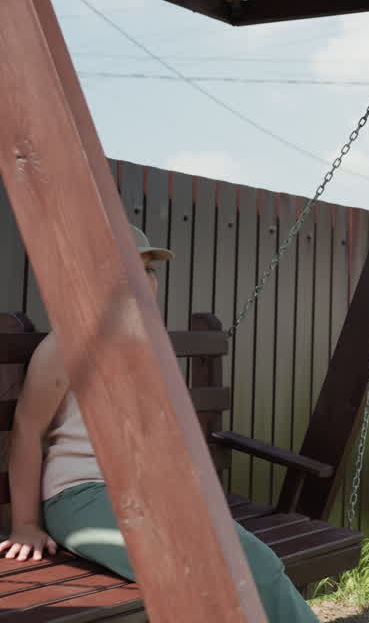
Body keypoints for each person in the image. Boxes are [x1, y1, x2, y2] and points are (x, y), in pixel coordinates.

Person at [0, 225, 319, 622]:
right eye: (128, 272)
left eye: (149, 271)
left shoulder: (146, 344)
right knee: (214, 575)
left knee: (258, 564)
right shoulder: (68, 345)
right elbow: (28, 431)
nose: (145, 281)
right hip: (82, 495)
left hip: (149, 493)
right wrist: (26, 525)